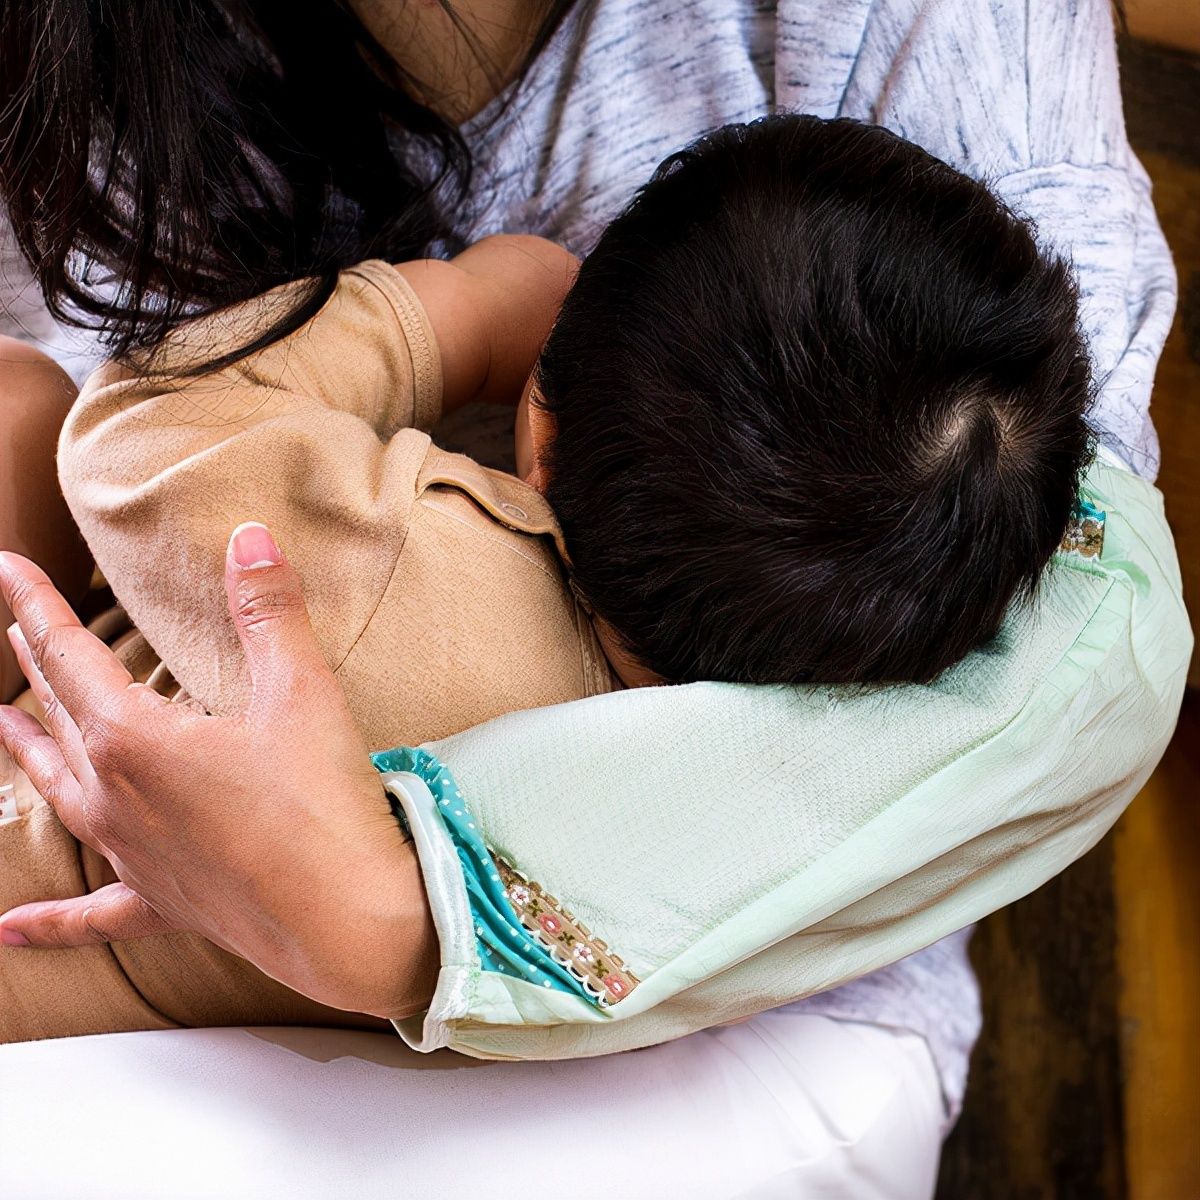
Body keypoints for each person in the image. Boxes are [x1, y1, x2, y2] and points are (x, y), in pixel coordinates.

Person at [0, 1, 1183, 1192]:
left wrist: (454, 320)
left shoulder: (385, 573)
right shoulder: (729, 806)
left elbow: (136, 435)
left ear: (538, 444)